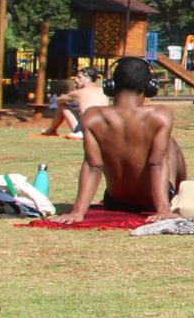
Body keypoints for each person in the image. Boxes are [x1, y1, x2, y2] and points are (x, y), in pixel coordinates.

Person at [61, 58, 184, 220]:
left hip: (114, 201)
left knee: (161, 141)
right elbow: (157, 163)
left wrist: (77, 212)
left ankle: (178, 195)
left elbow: (93, 166)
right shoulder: (160, 115)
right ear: (149, 87)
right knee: (169, 142)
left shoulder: (92, 117)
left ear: (111, 85)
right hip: (152, 201)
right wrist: (163, 209)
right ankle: (181, 194)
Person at [38, 69, 107, 139]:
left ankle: (51, 131)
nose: (76, 80)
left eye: (79, 77)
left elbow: (58, 101)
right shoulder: (104, 91)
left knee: (62, 106)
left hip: (87, 129)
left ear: (88, 79)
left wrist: (69, 100)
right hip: (104, 129)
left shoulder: (78, 93)